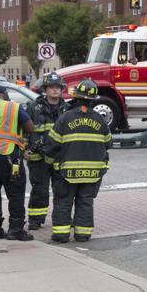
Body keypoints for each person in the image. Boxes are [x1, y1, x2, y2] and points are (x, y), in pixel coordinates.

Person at [43, 79, 111, 243]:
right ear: (93, 100)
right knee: (85, 202)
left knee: (63, 201)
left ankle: (61, 235)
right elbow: (108, 142)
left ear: (76, 97)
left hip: (67, 172)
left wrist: (48, 161)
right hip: (93, 173)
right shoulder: (100, 119)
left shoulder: (65, 118)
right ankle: (83, 234)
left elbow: (52, 144)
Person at [0, 84, 35, 241]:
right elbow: (31, 127)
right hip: (9, 157)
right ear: (4, 94)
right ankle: (16, 229)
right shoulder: (13, 108)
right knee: (15, 192)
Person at [24, 72, 70, 230]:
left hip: (59, 157)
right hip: (38, 158)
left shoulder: (67, 109)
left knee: (62, 192)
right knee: (39, 190)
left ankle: (62, 219)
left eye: (58, 87)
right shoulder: (33, 108)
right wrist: (24, 148)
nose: (55, 90)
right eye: (52, 87)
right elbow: (23, 130)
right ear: (46, 89)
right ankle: (35, 220)